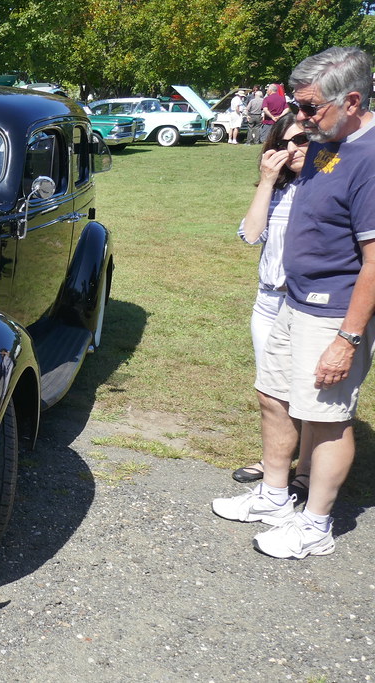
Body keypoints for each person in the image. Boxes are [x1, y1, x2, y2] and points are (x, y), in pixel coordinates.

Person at [213, 47, 375, 559]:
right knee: (274, 397)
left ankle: (315, 525)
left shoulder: (370, 158)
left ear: (351, 100)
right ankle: (274, 496)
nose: (299, 119)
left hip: (332, 313)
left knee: (326, 418)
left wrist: (346, 341)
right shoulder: (330, 142)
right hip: (292, 300)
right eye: (296, 108)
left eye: (309, 108)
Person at [230, 114, 312, 497]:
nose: (292, 150)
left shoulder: (324, 187)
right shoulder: (277, 190)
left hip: (308, 305)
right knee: (272, 392)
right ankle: (274, 461)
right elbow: (250, 234)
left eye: (302, 141)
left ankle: (307, 471)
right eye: (284, 144)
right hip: (268, 302)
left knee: (308, 392)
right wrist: (265, 182)